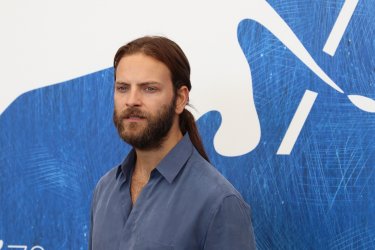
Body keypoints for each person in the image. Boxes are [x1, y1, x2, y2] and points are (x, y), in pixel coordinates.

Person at [89, 36, 256, 250]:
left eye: (149, 88)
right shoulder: (104, 191)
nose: (131, 100)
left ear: (180, 99)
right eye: (122, 88)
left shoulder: (218, 202)